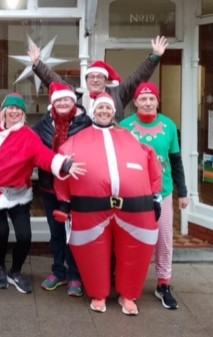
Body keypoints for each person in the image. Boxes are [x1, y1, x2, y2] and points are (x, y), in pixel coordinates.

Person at [55, 93, 162, 315]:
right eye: (100, 108)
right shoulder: (76, 140)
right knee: (92, 252)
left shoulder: (129, 137)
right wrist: (64, 202)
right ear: (93, 111)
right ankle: (98, 293)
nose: (104, 111)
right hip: (90, 208)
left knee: (136, 251)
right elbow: (62, 167)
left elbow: (150, 162)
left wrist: (155, 196)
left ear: (114, 112)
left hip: (135, 208)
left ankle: (128, 295)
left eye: (108, 108)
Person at [0, 93, 85, 294]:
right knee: (1, 232)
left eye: (18, 109)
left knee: (24, 236)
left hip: (19, 193)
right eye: (10, 108)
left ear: (22, 114)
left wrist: (64, 164)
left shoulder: (29, 136)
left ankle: (15, 271)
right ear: (3, 112)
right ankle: (0, 268)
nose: (14, 112)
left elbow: (45, 156)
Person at [120, 82, 188, 310]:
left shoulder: (169, 126)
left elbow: (176, 161)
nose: (148, 103)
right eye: (143, 99)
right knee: (133, 239)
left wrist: (183, 192)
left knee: (164, 239)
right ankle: (130, 284)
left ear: (158, 101)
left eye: (152, 99)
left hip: (163, 192)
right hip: (134, 193)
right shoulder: (124, 126)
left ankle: (163, 283)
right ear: (135, 102)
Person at [33, 82, 92, 297]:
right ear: (53, 103)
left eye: (66, 99)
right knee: (56, 233)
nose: (63, 103)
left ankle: (76, 275)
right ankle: (58, 272)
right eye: (58, 100)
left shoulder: (86, 123)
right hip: (50, 188)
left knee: (74, 234)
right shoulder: (44, 124)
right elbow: (33, 147)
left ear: (73, 100)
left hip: (76, 190)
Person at [28, 36, 168, 120]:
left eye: (99, 77)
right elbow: (54, 80)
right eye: (92, 77)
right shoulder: (76, 96)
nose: (95, 80)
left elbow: (138, 78)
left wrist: (154, 57)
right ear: (87, 80)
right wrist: (38, 64)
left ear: (105, 80)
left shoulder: (118, 94)